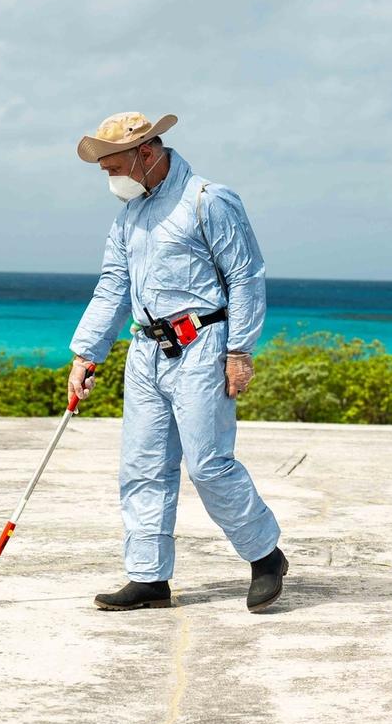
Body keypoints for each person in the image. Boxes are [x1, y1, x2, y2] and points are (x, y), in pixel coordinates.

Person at [68, 111, 287, 613]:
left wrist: (240, 351)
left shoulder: (210, 201)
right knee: (142, 466)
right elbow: (112, 286)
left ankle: (265, 556)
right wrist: (86, 354)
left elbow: (246, 276)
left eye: (112, 165)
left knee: (209, 464)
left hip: (202, 345)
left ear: (146, 154)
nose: (108, 176)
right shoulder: (129, 215)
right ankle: (148, 579)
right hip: (145, 351)